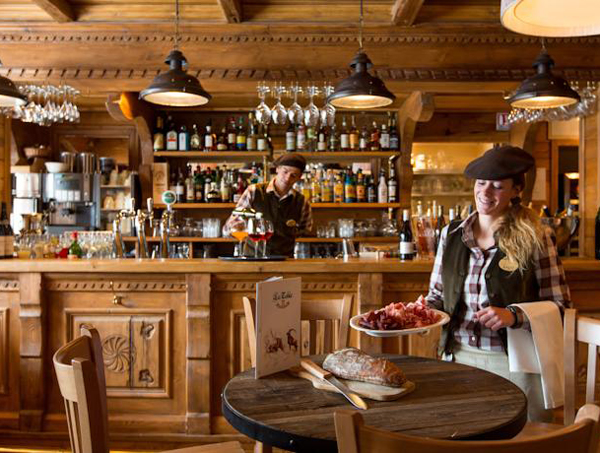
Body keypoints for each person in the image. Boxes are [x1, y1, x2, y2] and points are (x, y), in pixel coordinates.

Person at [425, 145, 570, 423]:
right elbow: (437, 295)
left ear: (516, 190)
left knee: (522, 439)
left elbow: (561, 306)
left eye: (498, 186)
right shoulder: (450, 234)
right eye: (481, 183)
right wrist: (421, 312)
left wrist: (514, 316)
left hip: (515, 364)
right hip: (458, 358)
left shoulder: (536, 236)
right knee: (464, 434)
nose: (485, 192)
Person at [225, 153, 312, 257]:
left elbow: (306, 230)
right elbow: (231, 225)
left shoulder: (302, 201)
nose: (287, 178)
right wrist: (240, 227)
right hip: (252, 258)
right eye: (285, 172)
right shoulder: (253, 191)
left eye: (293, 175)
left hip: (285, 260)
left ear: (299, 177)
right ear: (277, 169)